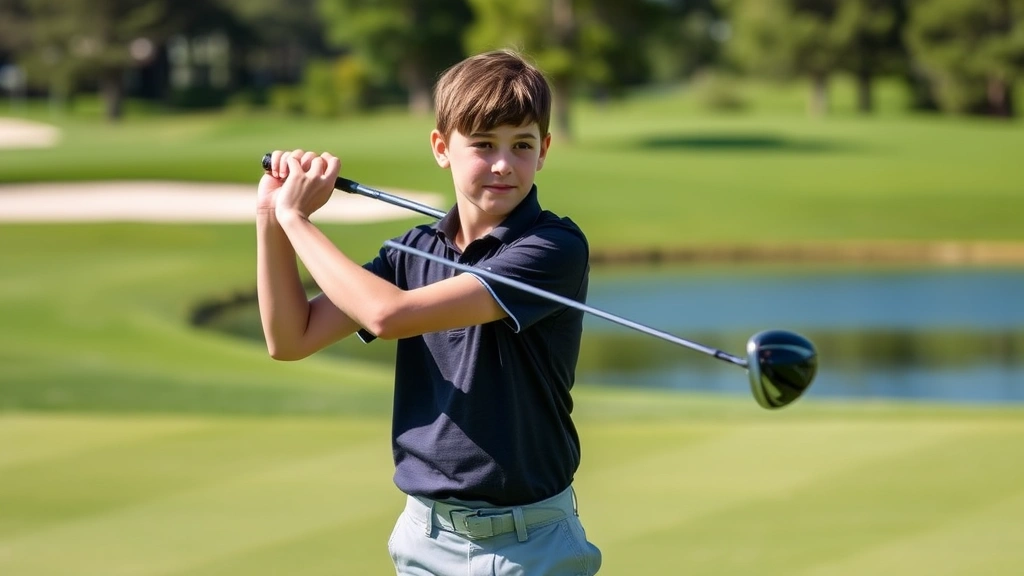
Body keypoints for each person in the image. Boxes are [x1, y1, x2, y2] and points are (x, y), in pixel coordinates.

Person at [257, 49, 602, 576]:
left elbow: (387, 316)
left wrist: (297, 220)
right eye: (483, 145)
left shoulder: (552, 247)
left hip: (529, 543)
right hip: (424, 539)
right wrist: (271, 218)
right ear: (442, 147)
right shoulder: (412, 252)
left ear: (545, 149)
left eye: (522, 145)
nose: (503, 163)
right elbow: (291, 338)